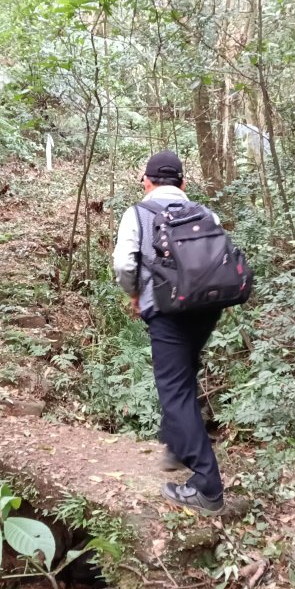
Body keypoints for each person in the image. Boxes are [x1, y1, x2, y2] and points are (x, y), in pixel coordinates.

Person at [112, 150, 225, 515]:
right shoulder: (205, 213)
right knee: (183, 376)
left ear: (146, 182)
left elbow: (124, 264)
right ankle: (177, 446)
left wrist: (133, 294)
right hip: (207, 309)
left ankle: (208, 487)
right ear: (183, 183)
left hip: (167, 311)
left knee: (174, 390)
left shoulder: (138, 214)